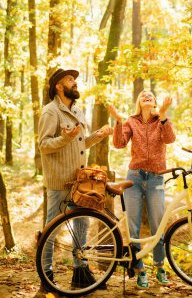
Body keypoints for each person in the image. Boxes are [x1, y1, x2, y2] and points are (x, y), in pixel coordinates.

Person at [38, 68, 113, 289]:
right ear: (59, 87)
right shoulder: (51, 112)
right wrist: (63, 138)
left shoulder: (77, 111)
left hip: (80, 181)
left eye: (75, 80)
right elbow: (44, 145)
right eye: (70, 80)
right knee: (52, 227)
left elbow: (79, 144)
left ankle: (80, 273)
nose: (75, 83)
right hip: (60, 181)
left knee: (82, 223)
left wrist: (96, 136)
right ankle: (46, 275)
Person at [109, 90, 176, 289]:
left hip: (155, 178)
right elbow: (119, 143)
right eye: (143, 95)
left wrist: (163, 114)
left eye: (151, 95)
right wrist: (118, 121)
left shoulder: (160, 120)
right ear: (139, 102)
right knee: (133, 225)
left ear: (154, 102)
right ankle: (139, 269)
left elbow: (170, 138)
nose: (147, 96)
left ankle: (159, 266)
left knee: (158, 223)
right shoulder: (131, 121)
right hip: (134, 178)